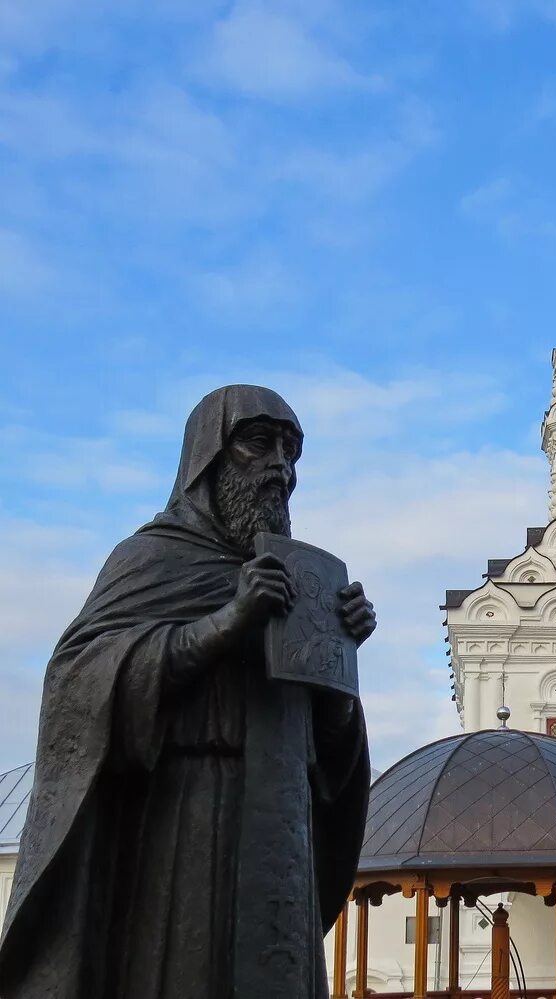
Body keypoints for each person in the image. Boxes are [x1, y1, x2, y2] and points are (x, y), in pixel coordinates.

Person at [0, 385, 375, 999]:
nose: (281, 468)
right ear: (209, 460)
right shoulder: (150, 559)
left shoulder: (303, 582)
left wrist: (337, 661)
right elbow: (75, 682)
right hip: (182, 823)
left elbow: (329, 757)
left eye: (292, 451)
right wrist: (226, 623)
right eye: (259, 444)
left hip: (280, 832)